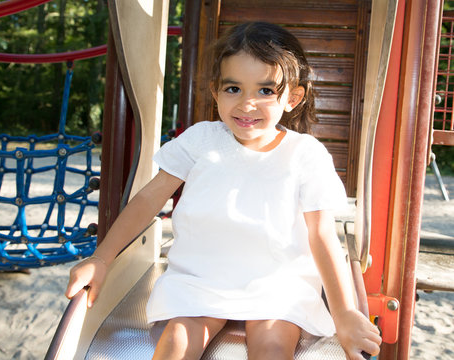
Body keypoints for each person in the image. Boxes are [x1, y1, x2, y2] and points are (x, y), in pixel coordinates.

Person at [65, 22, 382, 360]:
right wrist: (102, 258)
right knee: (177, 343)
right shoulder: (201, 140)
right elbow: (148, 199)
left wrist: (345, 313)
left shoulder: (305, 153)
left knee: (273, 347)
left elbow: (321, 235)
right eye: (234, 88)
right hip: (201, 278)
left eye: (265, 91)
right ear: (216, 91)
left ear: (293, 97)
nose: (247, 104)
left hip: (277, 282)